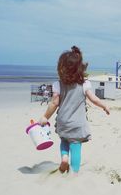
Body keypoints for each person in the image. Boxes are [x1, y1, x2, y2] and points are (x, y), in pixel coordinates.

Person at [39, 46, 110, 174]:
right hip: (78, 124)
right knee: (76, 146)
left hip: (63, 122)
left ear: (61, 69)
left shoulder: (58, 85)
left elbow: (54, 103)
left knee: (64, 140)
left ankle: (64, 158)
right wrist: (104, 106)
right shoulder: (85, 84)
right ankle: (74, 171)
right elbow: (93, 99)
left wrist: (45, 117)